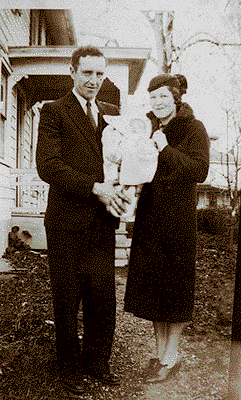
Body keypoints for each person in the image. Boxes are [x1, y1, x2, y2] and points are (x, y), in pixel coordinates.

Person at [36, 45, 130, 396]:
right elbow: (49, 166)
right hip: (66, 223)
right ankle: (69, 367)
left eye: (100, 74)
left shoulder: (112, 115)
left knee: (102, 296)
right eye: (87, 72)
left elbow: (126, 157)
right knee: (67, 297)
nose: (94, 80)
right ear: (73, 71)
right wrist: (96, 188)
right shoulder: (54, 111)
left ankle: (97, 361)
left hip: (102, 222)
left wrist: (124, 188)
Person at [124, 74, 210, 383]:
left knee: (173, 291)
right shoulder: (146, 127)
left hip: (178, 223)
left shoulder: (193, 128)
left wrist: (165, 148)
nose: (157, 102)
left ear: (175, 97)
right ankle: (160, 355)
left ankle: (172, 356)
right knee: (153, 291)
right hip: (149, 219)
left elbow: (200, 171)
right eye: (153, 97)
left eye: (163, 96)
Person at [102, 109, 158, 220]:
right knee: (116, 189)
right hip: (120, 173)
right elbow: (113, 154)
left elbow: (151, 156)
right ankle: (117, 207)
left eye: (140, 128)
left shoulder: (146, 142)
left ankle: (127, 210)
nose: (136, 130)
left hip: (137, 176)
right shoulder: (124, 140)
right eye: (133, 128)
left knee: (131, 194)